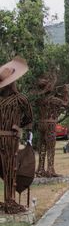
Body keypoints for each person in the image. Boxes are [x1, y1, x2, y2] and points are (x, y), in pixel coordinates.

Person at [0, 57, 33, 214]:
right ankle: (9, 201)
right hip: (9, 139)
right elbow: (29, 118)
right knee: (9, 170)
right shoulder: (20, 99)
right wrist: (18, 126)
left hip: (7, 138)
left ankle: (9, 200)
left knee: (7, 169)